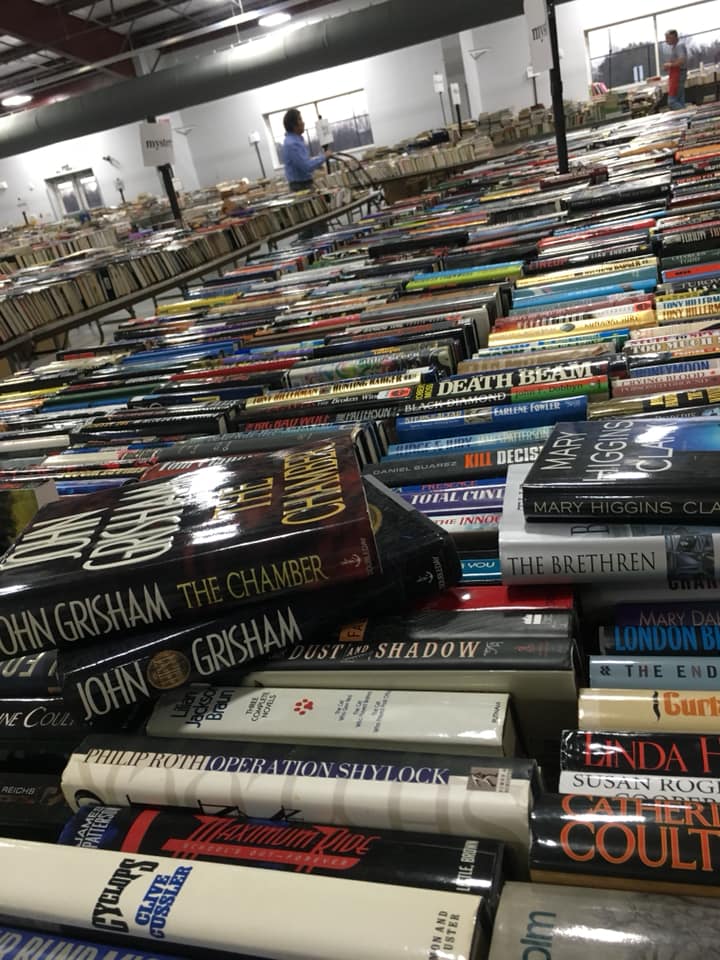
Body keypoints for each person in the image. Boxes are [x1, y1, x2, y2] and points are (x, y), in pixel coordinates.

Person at [282, 108, 331, 191]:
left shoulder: (298, 140)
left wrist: (318, 162)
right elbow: (307, 166)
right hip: (300, 186)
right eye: (300, 119)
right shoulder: (292, 144)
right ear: (293, 124)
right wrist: (324, 157)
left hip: (304, 183)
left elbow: (304, 162)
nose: (303, 123)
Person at [663, 29, 688, 110]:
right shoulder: (675, 47)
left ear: (674, 37)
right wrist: (670, 66)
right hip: (678, 73)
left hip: (679, 74)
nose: (666, 40)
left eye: (668, 38)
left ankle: (686, 113)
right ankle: (685, 116)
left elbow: (682, 60)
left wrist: (670, 65)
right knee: (680, 100)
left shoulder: (679, 46)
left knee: (672, 102)